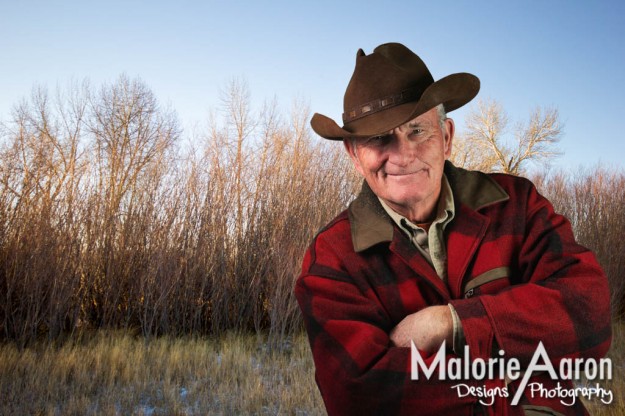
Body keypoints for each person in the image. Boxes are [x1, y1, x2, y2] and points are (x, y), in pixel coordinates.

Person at [294, 43, 611, 416]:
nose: (402, 153)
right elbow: (358, 395)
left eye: (417, 130)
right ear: (354, 154)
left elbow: (589, 313)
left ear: (446, 136)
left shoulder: (516, 205)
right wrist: (510, 369)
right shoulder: (333, 256)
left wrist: (451, 324)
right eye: (378, 138)